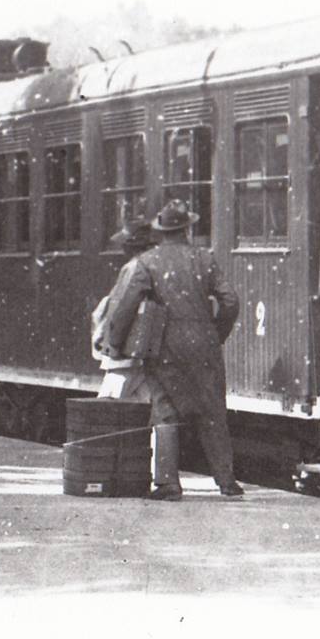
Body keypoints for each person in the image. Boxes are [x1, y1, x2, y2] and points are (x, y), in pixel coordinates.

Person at [94, 199, 241, 500]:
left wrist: (113, 344)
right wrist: (216, 333)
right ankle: (227, 482)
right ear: (187, 229)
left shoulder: (146, 263)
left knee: (165, 410)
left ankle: (168, 483)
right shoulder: (205, 259)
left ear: (161, 232)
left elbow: (125, 306)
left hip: (164, 345)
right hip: (204, 345)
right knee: (212, 411)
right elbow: (230, 302)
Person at [91, 219, 157, 399]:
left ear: (131, 245)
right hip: (148, 351)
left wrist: (111, 342)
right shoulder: (156, 265)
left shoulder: (133, 268)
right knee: (147, 409)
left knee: (107, 409)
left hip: (125, 354)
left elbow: (120, 309)